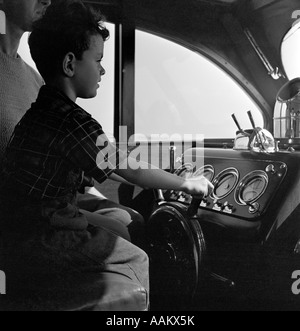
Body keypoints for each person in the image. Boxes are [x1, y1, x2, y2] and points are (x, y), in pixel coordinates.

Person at [0, 0, 213, 295]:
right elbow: (128, 168)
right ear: (70, 64)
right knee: (136, 259)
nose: (102, 71)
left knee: (122, 228)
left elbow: (100, 163)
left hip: (24, 222)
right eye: (98, 60)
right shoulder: (72, 121)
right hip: (42, 230)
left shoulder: (42, 108)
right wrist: (186, 183)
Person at [0, 0, 146, 248]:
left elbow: (59, 153)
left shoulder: (34, 78)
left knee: (133, 219)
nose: (46, 1)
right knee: (122, 235)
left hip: (53, 201)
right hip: (22, 216)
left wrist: (87, 191)